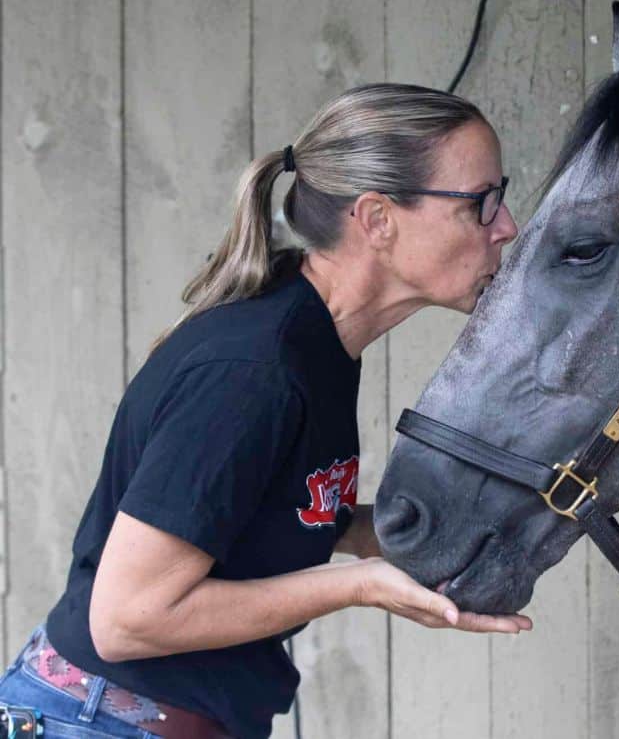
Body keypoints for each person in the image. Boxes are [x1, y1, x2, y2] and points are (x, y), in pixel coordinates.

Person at [0, 83, 529, 739]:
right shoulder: (254, 372)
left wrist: (432, 542)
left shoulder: (318, 347)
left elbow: (261, 516)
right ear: (378, 220)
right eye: (482, 204)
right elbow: (126, 618)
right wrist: (360, 585)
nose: (507, 227)